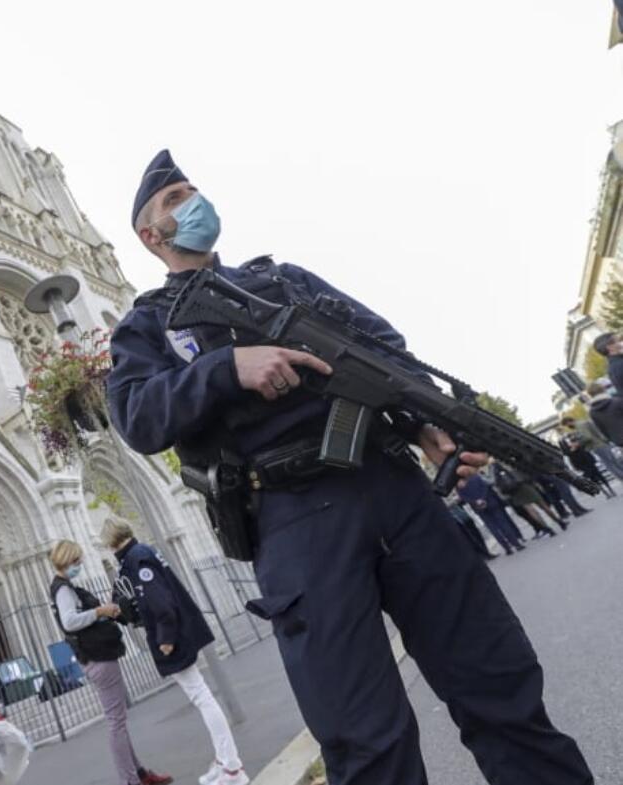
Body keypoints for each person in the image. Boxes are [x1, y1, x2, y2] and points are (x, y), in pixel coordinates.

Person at [105, 150, 592, 785]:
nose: (193, 204)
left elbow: (386, 350)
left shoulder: (284, 280)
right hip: (293, 518)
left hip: (395, 489)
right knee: (367, 744)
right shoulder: (147, 326)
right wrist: (225, 369)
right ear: (151, 235)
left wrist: (428, 426)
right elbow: (139, 416)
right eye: (175, 201)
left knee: (500, 688)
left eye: (194, 191)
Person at [100, 517, 248, 785]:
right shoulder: (141, 553)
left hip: (171, 635)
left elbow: (160, 602)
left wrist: (165, 639)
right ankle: (224, 760)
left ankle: (233, 768)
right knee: (201, 695)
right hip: (174, 630)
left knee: (202, 697)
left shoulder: (136, 558)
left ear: (111, 540)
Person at [48, 540, 173, 785]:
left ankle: (138, 773)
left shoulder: (65, 587)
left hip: (98, 656)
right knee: (116, 722)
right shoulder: (62, 589)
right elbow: (70, 622)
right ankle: (130, 780)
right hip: (98, 658)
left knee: (119, 720)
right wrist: (100, 612)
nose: (80, 565)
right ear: (67, 560)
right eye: (77, 561)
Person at [457, 473, 526, 555]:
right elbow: (485, 487)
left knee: (493, 528)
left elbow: (464, 498)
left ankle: (507, 548)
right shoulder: (476, 477)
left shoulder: (459, 486)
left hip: (478, 508)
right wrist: (482, 498)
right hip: (490, 502)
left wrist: (476, 501)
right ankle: (516, 544)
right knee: (503, 524)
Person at [490, 462, 568, 534]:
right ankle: (559, 522)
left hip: (514, 492)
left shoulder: (493, 468)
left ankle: (548, 529)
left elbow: (495, 482)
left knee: (531, 511)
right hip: (524, 485)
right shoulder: (506, 460)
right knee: (543, 506)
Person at [584, 381, 623, 446]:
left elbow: (602, 429)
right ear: (603, 389)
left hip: (618, 440)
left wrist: (612, 439)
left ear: (590, 394)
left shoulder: (592, 412)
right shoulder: (617, 401)